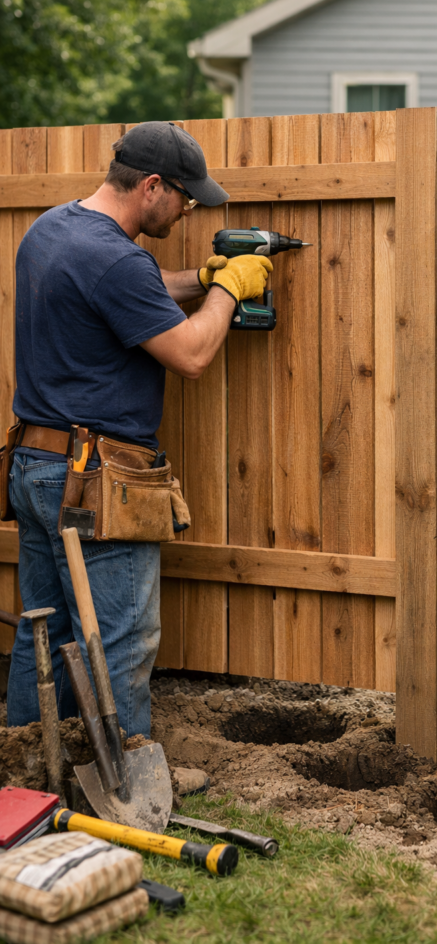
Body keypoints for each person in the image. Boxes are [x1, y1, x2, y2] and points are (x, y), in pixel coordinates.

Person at [6, 121, 270, 738]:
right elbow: (192, 354)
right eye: (185, 198)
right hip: (95, 480)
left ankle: (28, 768)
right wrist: (228, 292)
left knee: (44, 629)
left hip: (36, 466)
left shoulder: (52, 229)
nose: (187, 211)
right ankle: (125, 776)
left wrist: (201, 279)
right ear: (152, 186)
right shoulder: (116, 259)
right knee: (121, 637)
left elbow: (124, 296)